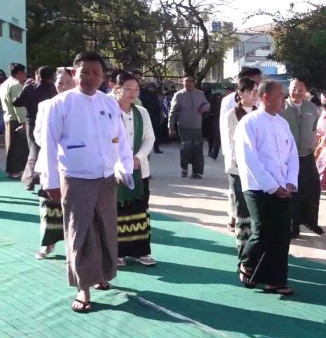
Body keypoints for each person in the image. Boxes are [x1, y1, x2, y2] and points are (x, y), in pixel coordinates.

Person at [41, 51, 134, 312]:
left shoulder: (109, 104)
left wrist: (124, 167)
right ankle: (83, 287)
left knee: (106, 229)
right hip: (75, 178)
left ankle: (101, 275)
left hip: (106, 178)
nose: (91, 77)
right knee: (79, 232)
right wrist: (50, 181)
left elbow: (120, 139)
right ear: (74, 73)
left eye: (96, 73)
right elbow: (48, 145)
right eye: (85, 72)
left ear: (103, 77)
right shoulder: (60, 104)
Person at [234, 80, 299, 297]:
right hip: (257, 187)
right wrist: (271, 186)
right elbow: (249, 159)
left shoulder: (282, 123)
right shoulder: (249, 123)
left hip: (283, 186)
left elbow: (292, 154)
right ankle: (247, 262)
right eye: (281, 96)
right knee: (263, 230)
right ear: (266, 97)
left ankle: (276, 281)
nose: (284, 100)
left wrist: (290, 181)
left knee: (282, 234)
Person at [112, 70, 157, 267]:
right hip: (116, 170)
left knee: (140, 209)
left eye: (136, 89)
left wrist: (138, 157)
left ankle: (141, 251)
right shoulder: (109, 111)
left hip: (140, 169)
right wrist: (121, 160)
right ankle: (117, 252)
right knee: (118, 211)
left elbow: (150, 138)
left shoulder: (141, 112)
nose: (133, 93)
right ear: (116, 89)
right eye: (128, 88)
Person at [33, 67, 75, 259]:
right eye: (60, 83)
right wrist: (54, 145)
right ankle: (47, 243)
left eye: (68, 82)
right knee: (49, 206)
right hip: (51, 162)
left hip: (74, 165)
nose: (64, 86)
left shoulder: (82, 105)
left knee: (74, 208)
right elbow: (38, 134)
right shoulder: (46, 105)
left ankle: (75, 247)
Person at [281, 78, 323, 237]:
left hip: (307, 154)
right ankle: (293, 225)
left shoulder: (311, 107)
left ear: (306, 91)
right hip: (288, 156)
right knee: (292, 191)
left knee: (312, 188)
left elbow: (314, 127)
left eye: (300, 89)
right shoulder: (282, 107)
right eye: (294, 88)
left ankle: (311, 221)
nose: (296, 92)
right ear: (288, 89)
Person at [222, 78, 258, 258]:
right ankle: (243, 248)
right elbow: (230, 141)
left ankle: (256, 246)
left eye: (256, 90)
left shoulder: (260, 113)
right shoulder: (232, 114)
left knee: (255, 208)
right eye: (250, 90)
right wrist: (237, 162)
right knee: (241, 207)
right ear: (240, 93)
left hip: (258, 169)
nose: (254, 94)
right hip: (238, 168)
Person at [13, 66, 58, 190]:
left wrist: (24, 88)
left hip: (31, 123)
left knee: (33, 152)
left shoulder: (29, 88)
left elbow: (16, 102)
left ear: (38, 75)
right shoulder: (54, 89)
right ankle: (40, 180)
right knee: (48, 152)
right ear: (52, 76)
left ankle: (29, 179)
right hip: (48, 123)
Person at [168, 76, 209, 179]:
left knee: (198, 150)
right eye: (187, 81)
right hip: (184, 127)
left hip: (197, 127)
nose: (189, 83)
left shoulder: (200, 94)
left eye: (191, 81)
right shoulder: (178, 95)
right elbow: (172, 113)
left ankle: (197, 172)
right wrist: (171, 127)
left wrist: (205, 108)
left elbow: (207, 105)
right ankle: (184, 169)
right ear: (183, 82)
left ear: (194, 83)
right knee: (186, 149)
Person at [1, 63, 29, 179]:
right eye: (24, 72)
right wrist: (23, 121)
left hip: (8, 117)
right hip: (15, 118)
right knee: (17, 146)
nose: (25, 75)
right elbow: (18, 105)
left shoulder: (4, 84)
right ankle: (15, 171)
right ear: (19, 73)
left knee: (10, 145)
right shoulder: (15, 84)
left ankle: (12, 170)